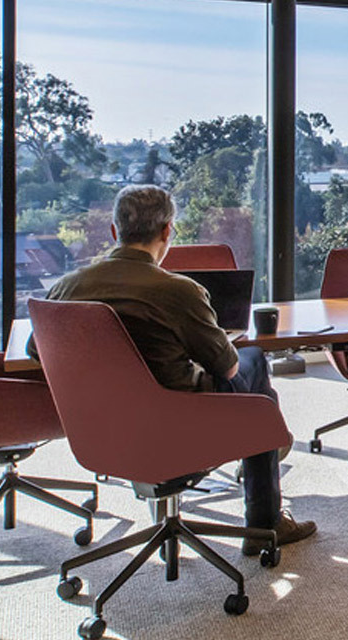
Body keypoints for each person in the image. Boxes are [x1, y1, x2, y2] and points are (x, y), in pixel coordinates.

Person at [45, 185, 315, 550]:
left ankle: (270, 442)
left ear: (114, 231)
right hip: (179, 424)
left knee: (253, 387)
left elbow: (39, 353)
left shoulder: (66, 289)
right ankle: (265, 516)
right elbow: (228, 368)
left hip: (101, 429)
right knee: (254, 372)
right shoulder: (177, 291)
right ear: (167, 231)